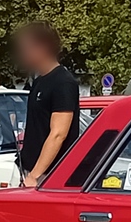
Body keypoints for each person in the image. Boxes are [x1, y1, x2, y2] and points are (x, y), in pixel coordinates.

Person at [13, 22, 81, 188]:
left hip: (48, 177)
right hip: (30, 171)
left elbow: (58, 134)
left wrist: (35, 176)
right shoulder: (39, 81)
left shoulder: (63, 82)